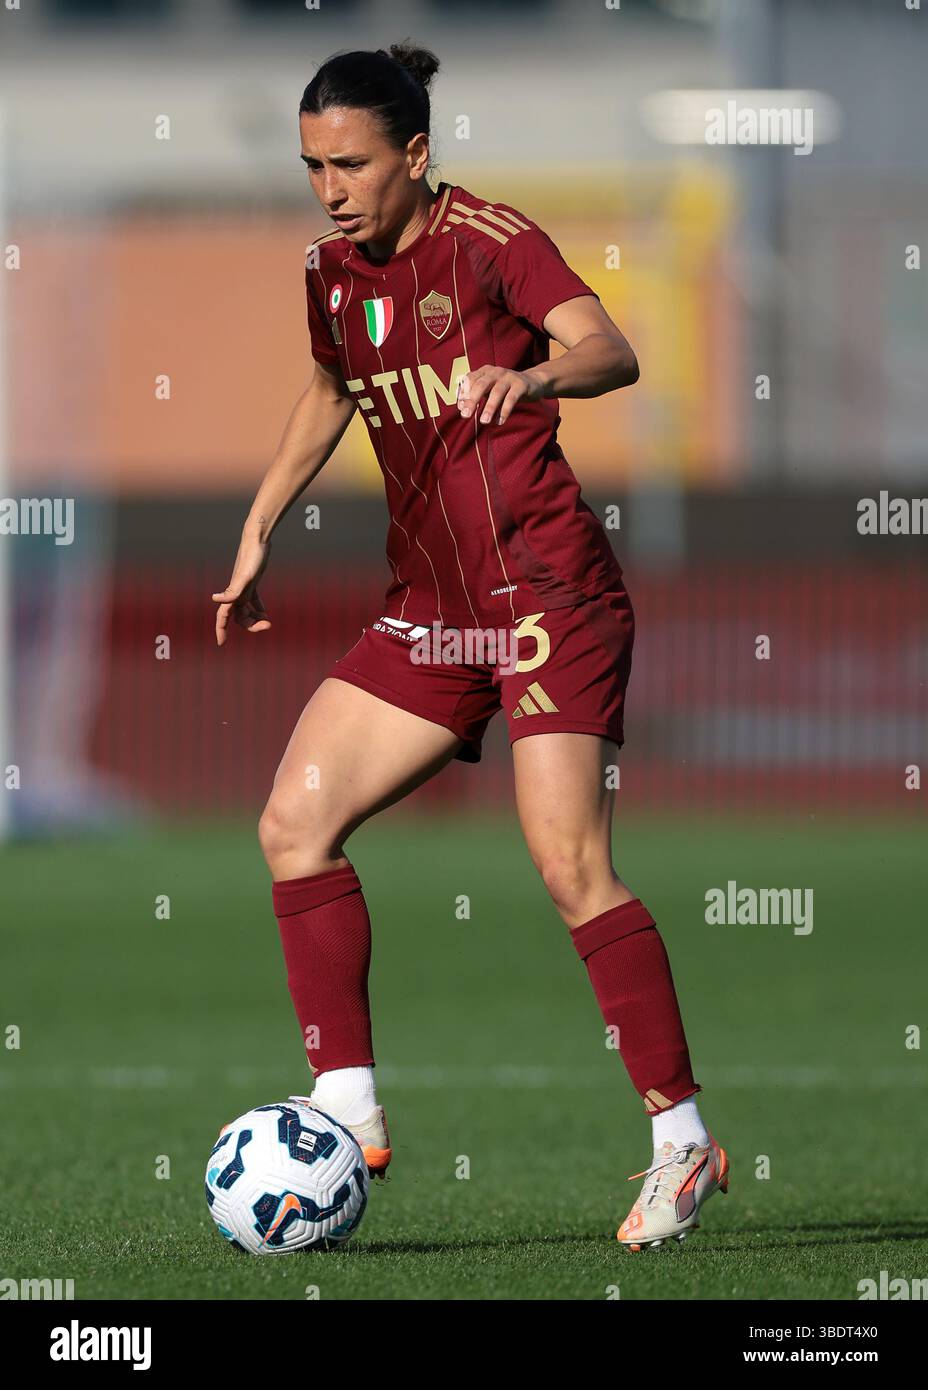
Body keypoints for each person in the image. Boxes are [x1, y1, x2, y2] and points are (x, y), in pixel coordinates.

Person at [213, 41, 728, 1251]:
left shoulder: (493, 239)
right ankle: (346, 1106)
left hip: (546, 592)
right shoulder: (329, 269)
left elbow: (612, 347)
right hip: (430, 608)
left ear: (416, 155)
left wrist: (533, 377)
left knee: (568, 867)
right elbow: (330, 387)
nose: (330, 187)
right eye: (311, 166)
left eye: (350, 163)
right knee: (292, 826)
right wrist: (257, 527)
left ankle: (681, 1139)